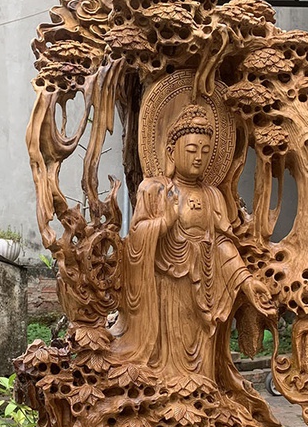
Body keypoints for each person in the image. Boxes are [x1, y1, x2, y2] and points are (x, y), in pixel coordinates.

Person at [113, 104, 274, 387]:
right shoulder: (154, 189)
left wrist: (246, 281)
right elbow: (135, 240)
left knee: (201, 372)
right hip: (167, 291)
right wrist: (164, 223)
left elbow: (222, 243)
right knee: (167, 371)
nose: (199, 157)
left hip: (205, 291)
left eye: (205, 151)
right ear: (171, 151)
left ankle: (201, 399)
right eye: (191, 150)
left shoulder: (213, 196)